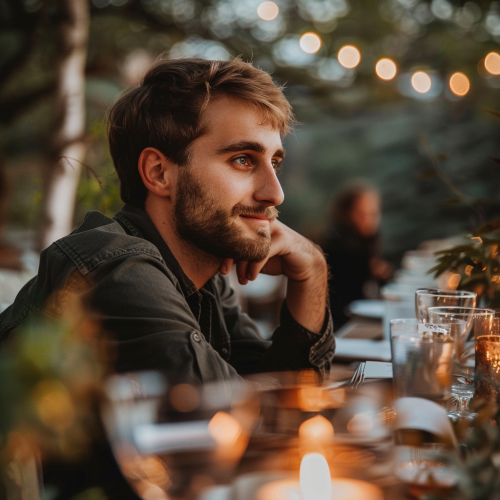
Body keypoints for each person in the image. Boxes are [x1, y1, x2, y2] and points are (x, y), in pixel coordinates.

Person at [0, 58, 335, 385]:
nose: (275, 194)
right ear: (159, 173)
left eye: (274, 162)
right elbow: (239, 417)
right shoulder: (119, 269)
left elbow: (282, 391)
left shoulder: (203, 279)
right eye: (243, 159)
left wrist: (313, 270)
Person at [323, 181, 393, 329]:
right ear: (346, 214)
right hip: (340, 323)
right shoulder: (335, 245)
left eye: (373, 214)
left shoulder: (368, 241)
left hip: (360, 319)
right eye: (361, 214)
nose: (368, 220)